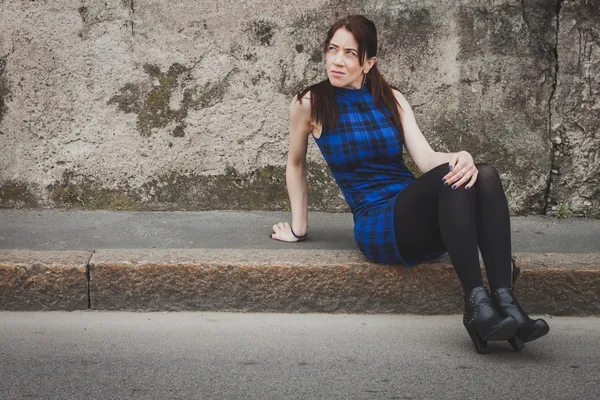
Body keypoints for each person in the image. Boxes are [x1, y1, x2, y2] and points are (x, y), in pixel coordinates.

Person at [269, 15, 549, 354]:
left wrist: (460, 155)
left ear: (368, 62)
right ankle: (478, 306)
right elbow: (295, 164)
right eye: (332, 49)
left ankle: (506, 302)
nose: (337, 61)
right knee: (458, 181)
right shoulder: (310, 103)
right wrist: (299, 228)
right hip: (377, 223)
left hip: (416, 215)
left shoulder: (392, 98)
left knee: (482, 173)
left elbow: (427, 159)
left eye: (349, 53)